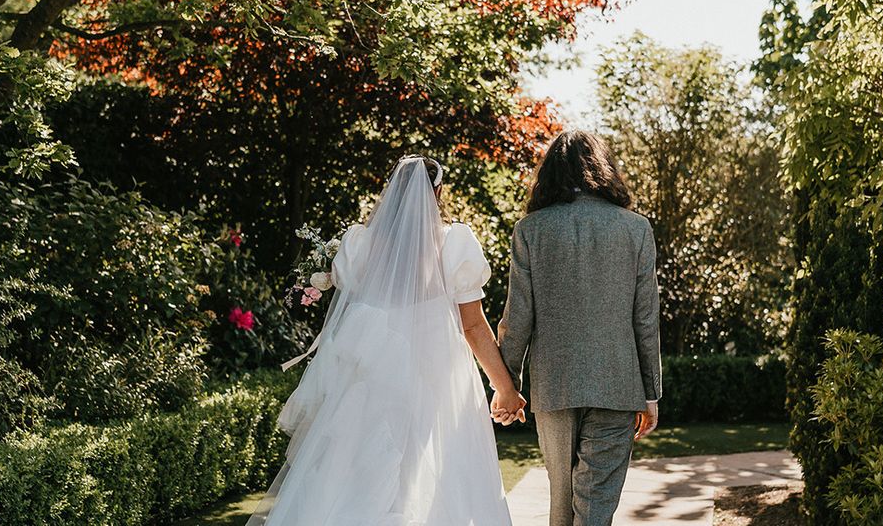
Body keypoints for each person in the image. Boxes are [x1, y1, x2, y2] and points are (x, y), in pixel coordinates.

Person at [249, 154, 525, 526]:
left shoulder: (358, 246)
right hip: (435, 382)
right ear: (437, 192)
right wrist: (504, 387)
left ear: (390, 193)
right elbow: (473, 327)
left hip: (368, 379)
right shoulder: (454, 245)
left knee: (354, 476)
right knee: (425, 479)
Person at [496, 129, 662, 526]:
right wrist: (650, 391)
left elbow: (517, 317)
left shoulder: (530, 230)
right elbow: (645, 317)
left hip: (554, 385)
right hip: (617, 384)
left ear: (550, 172)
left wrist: (508, 386)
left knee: (562, 500)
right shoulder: (635, 229)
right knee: (595, 503)